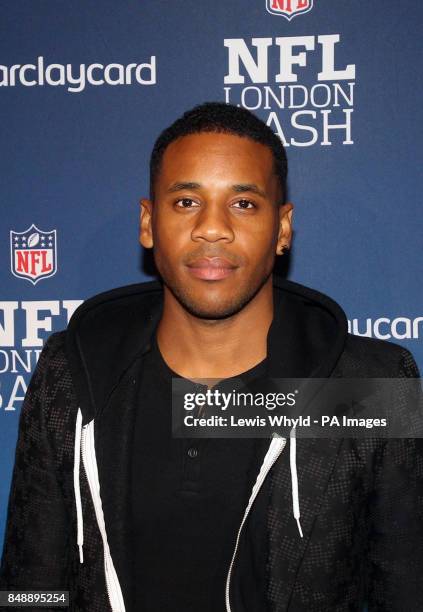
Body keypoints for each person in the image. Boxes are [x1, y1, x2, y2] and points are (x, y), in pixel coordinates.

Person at [0, 102, 422, 612]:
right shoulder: (74, 371)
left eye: (243, 203)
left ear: (283, 229)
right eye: (185, 202)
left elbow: (405, 587)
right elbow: (31, 588)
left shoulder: (370, 385)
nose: (212, 229)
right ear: (148, 222)